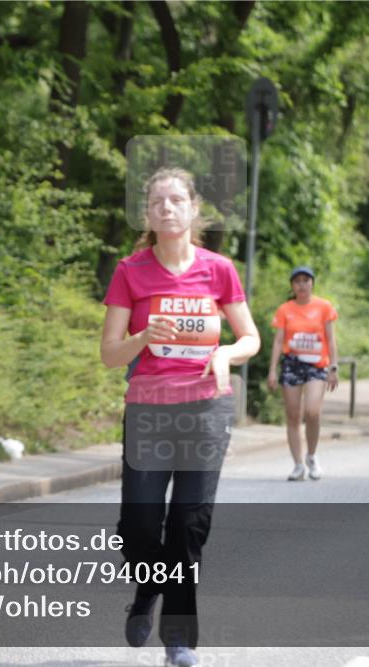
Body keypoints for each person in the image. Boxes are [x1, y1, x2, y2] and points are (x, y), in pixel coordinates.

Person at [100, 167, 260, 667]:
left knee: (189, 526)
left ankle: (178, 639)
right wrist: (143, 338)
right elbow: (108, 354)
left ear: (193, 210)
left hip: (206, 408)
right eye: (156, 202)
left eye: (175, 200)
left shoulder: (219, 269)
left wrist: (225, 356)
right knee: (140, 528)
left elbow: (250, 337)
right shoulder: (131, 271)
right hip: (149, 410)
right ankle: (147, 590)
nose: (166, 208)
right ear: (147, 214)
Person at [267, 266, 339, 480]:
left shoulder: (324, 307)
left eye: (305, 280)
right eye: (297, 281)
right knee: (293, 415)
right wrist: (272, 370)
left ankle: (312, 455)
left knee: (312, 412)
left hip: (317, 364)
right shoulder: (284, 309)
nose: (301, 285)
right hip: (292, 364)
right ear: (292, 286)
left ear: (312, 283)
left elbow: (331, 339)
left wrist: (333, 367)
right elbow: (279, 340)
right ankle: (298, 464)